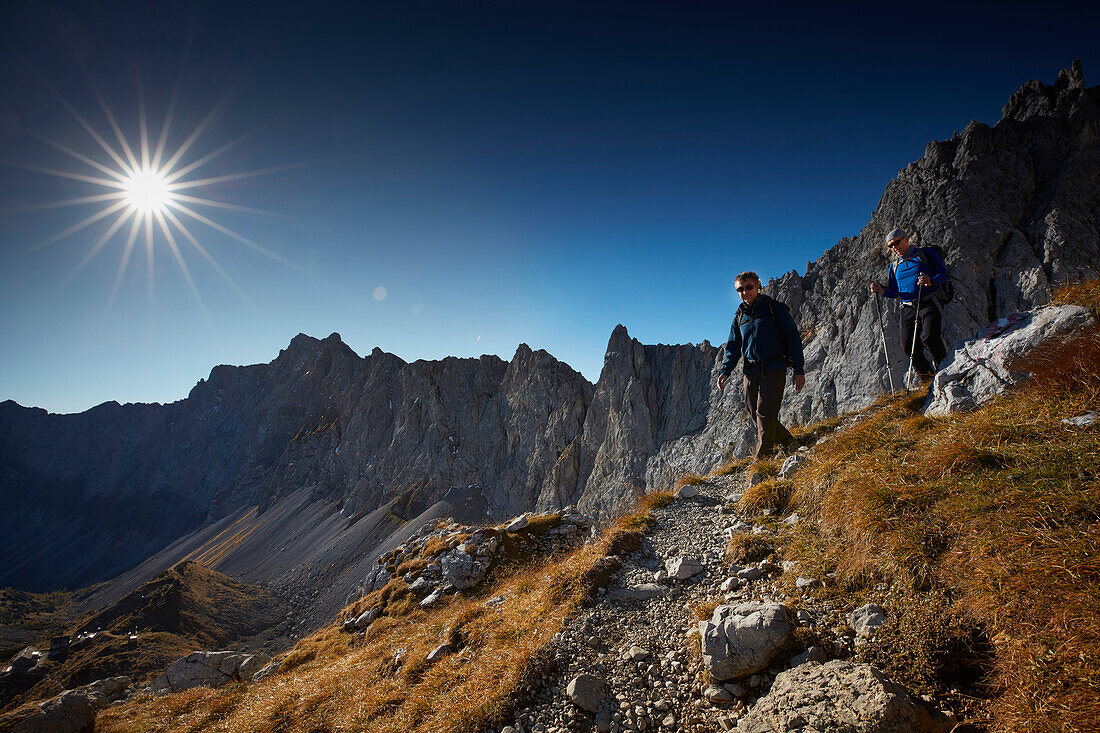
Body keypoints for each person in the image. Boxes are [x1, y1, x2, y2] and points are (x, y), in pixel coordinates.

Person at [717, 271, 806, 461]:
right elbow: (733, 346)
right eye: (740, 289)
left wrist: (799, 369)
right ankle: (789, 442)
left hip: (774, 368)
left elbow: (793, 338)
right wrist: (726, 370)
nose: (745, 292)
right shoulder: (739, 316)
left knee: (765, 413)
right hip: (750, 370)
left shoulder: (774, 308)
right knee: (754, 412)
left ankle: (762, 462)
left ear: (758, 286)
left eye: (749, 287)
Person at [869, 228, 948, 379]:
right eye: (891, 245)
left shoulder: (926, 254)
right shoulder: (894, 266)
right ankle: (928, 380)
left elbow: (943, 274)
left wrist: (931, 281)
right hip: (907, 307)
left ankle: (946, 368)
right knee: (908, 347)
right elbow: (895, 292)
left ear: (906, 239)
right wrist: (881, 290)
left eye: (896, 242)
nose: (894, 247)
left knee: (930, 338)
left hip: (929, 302)